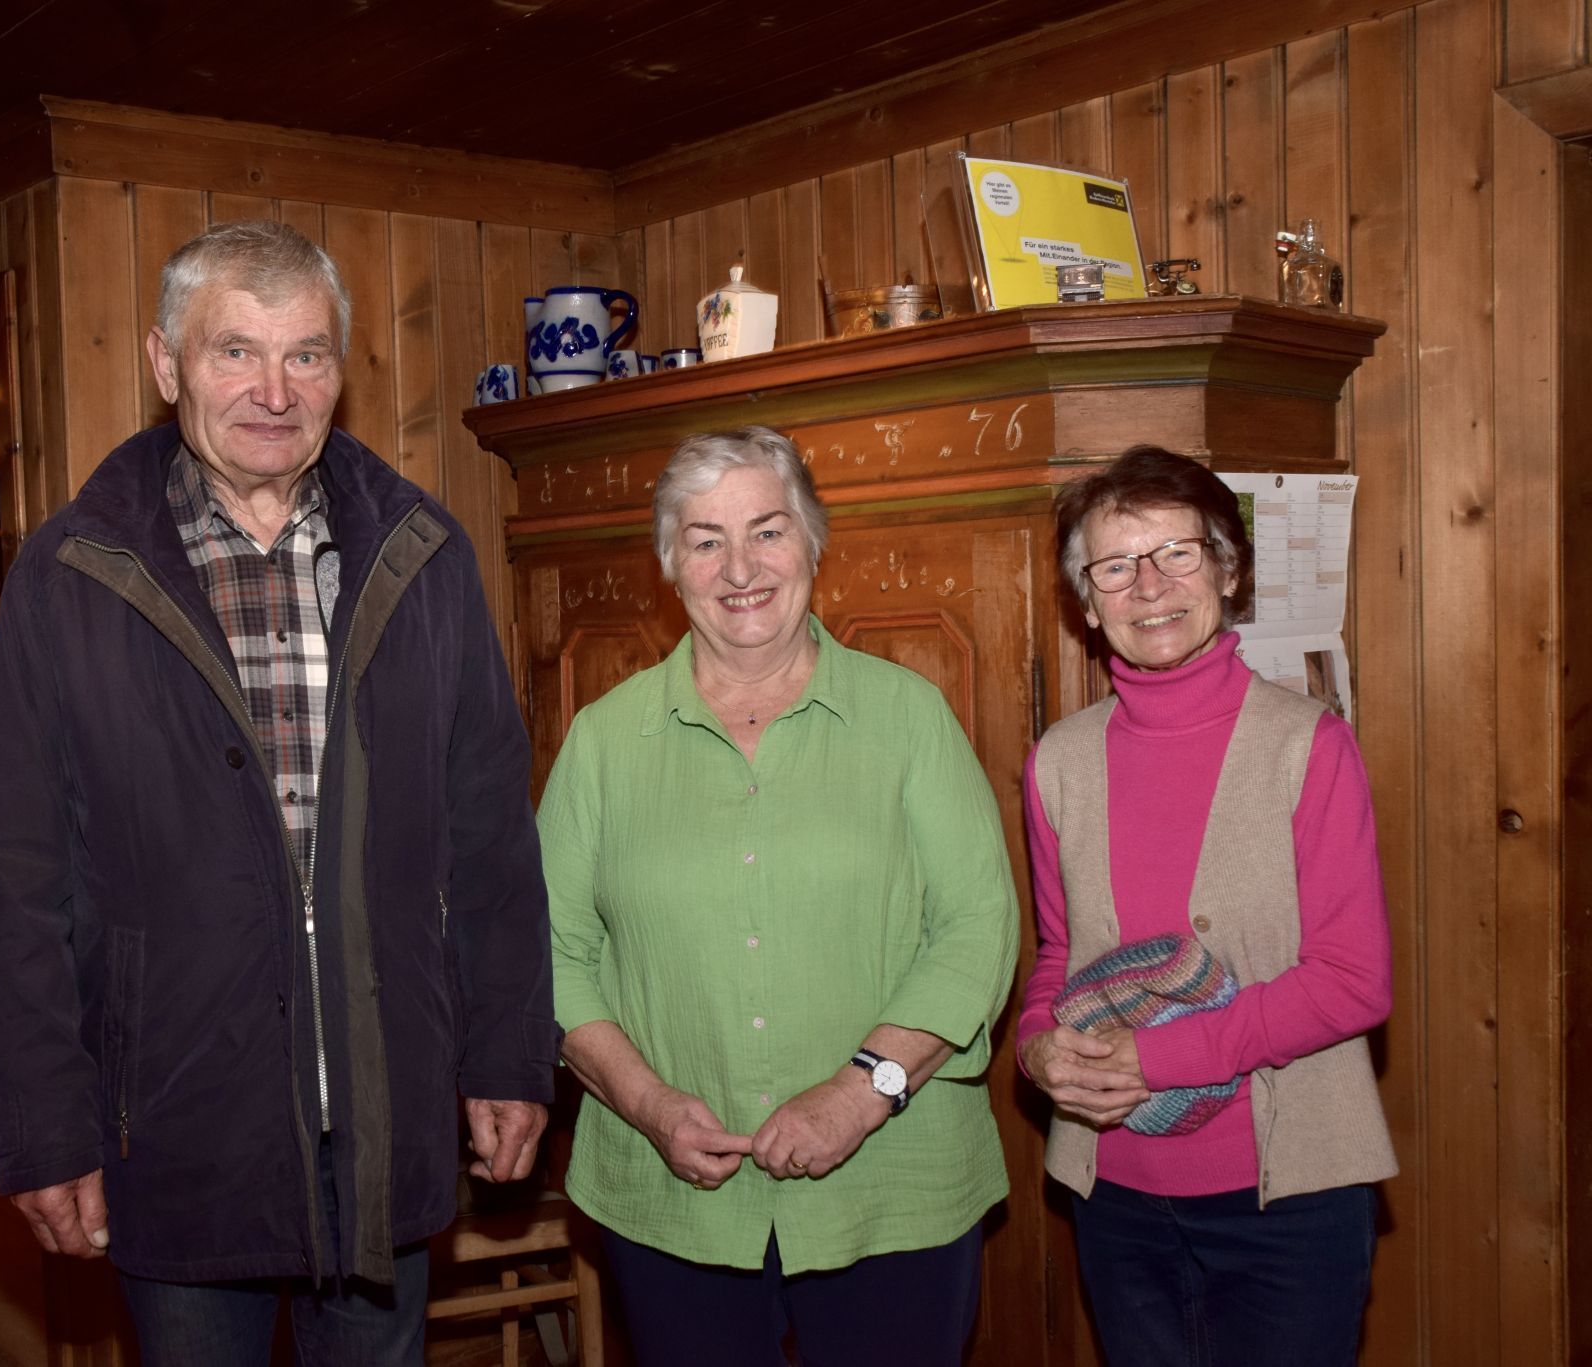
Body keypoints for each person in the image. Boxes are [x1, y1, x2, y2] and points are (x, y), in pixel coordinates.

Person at [0, 220, 555, 1366]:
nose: (274, 391)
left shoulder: (422, 554)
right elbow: (15, 882)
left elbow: (490, 843)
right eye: (236, 351)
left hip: (382, 1116)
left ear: (342, 371)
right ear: (164, 363)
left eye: (307, 355)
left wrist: (504, 1055)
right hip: (179, 1129)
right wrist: (43, 1129)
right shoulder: (72, 572)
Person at [540, 426, 1018, 1367]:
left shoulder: (908, 716)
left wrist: (861, 1089)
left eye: (768, 530)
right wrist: (646, 1105)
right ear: (671, 563)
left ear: (812, 543)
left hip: (894, 1187)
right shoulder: (602, 741)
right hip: (674, 1201)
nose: (740, 567)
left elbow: (976, 927)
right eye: (706, 538)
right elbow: (548, 953)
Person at [1016, 446, 1396, 1366]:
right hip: (1120, 1198)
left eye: (1178, 553)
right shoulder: (1058, 760)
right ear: (1087, 598)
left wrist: (1156, 1056)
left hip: (1289, 1200)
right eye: (1115, 564)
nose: (1150, 586)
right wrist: (1038, 1046)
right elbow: (1062, 956)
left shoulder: (1311, 746)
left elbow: (1353, 984)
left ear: (1227, 568)